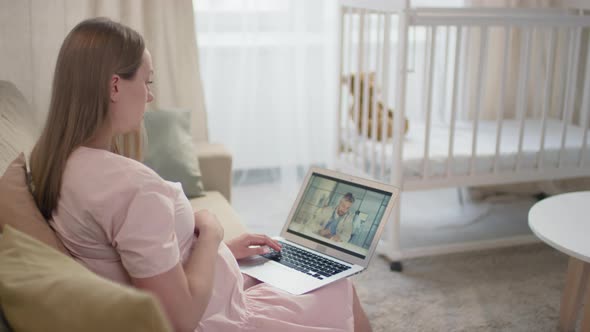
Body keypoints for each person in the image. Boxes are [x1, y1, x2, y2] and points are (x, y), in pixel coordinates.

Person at [29, 18, 372, 332]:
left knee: (298, 275)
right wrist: (209, 232)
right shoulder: (133, 187)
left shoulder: (55, 160)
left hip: (212, 292)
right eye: (146, 82)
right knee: (338, 285)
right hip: (220, 318)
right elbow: (180, 318)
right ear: (115, 87)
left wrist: (223, 251)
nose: (149, 96)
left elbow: (140, 257)